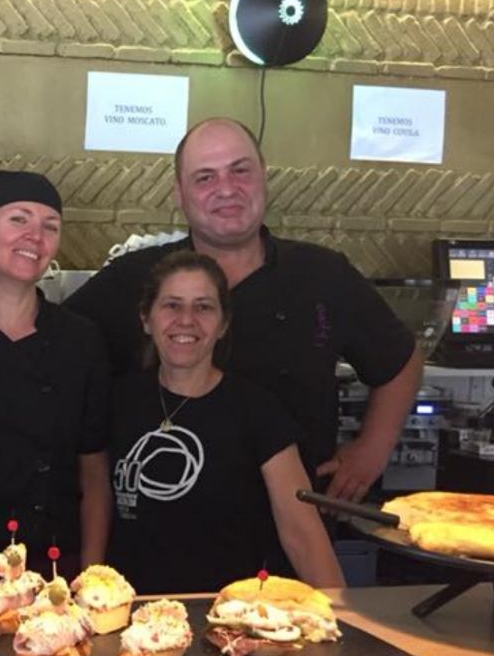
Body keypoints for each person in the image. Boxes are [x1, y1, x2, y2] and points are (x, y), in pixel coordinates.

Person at [67, 117, 423, 503]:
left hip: (293, 517)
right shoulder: (134, 278)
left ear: (263, 176)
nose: (226, 189)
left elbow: (400, 360)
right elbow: (53, 341)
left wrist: (372, 450)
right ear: (179, 193)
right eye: (205, 177)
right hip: (158, 516)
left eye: (240, 171)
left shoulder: (323, 274)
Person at [108, 251, 345, 593]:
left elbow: (302, 533)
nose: (186, 320)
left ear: (223, 324)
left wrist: (343, 616)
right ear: (146, 318)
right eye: (172, 305)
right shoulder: (117, 401)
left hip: (229, 613)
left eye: (203, 307)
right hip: (130, 614)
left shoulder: (258, 411)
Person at [0, 171, 111, 596]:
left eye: (50, 226)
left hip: (57, 571)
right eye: (19, 219)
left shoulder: (81, 341)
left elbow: (94, 472)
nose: (35, 236)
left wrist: (91, 581)